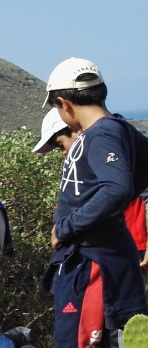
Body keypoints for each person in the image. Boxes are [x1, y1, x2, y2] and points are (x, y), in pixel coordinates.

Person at [37, 58, 148, 348]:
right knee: (97, 337)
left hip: (93, 258)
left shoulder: (101, 134)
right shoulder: (118, 130)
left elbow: (116, 188)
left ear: (63, 103)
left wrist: (66, 227)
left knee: (82, 339)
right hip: (97, 253)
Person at [38, 110, 148, 270]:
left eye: (61, 145)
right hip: (114, 243)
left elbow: (119, 191)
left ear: (77, 130)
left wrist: (64, 227)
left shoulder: (111, 157)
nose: (63, 152)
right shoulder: (90, 166)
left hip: (128, 243)